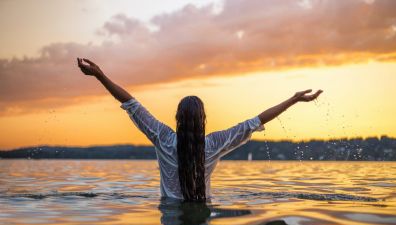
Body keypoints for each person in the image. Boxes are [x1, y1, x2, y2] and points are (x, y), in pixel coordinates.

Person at [77, 58, 323, 202]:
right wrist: (293, 100)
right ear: (204, 119)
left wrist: (100, 75)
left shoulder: (163, 137)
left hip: (170, 213)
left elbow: (132, 104)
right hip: (203, 210)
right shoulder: (214, 144)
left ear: (177, 119)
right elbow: (256, 121)